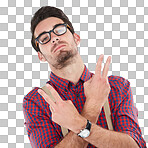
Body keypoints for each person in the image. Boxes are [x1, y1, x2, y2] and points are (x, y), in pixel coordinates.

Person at [23, 6, 146, 148]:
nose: (54, 38)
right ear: (40, 56)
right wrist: (92, 107)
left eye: (59, 30)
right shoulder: (37, 100)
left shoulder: (116, 86)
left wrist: (79, 124)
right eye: (44, 38)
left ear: (76, 38)